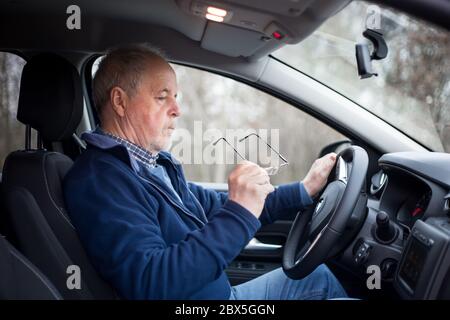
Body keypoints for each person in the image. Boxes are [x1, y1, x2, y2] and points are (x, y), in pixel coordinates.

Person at [63, 44, 347, 300]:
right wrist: (239, 214)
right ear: (120, 102)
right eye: (163, 97)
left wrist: (304, 190)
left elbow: (215, 206)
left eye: (175, 97)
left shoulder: (152, 164)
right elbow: (151, 282)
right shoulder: (100, 180)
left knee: (318, 275)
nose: (177, 109)